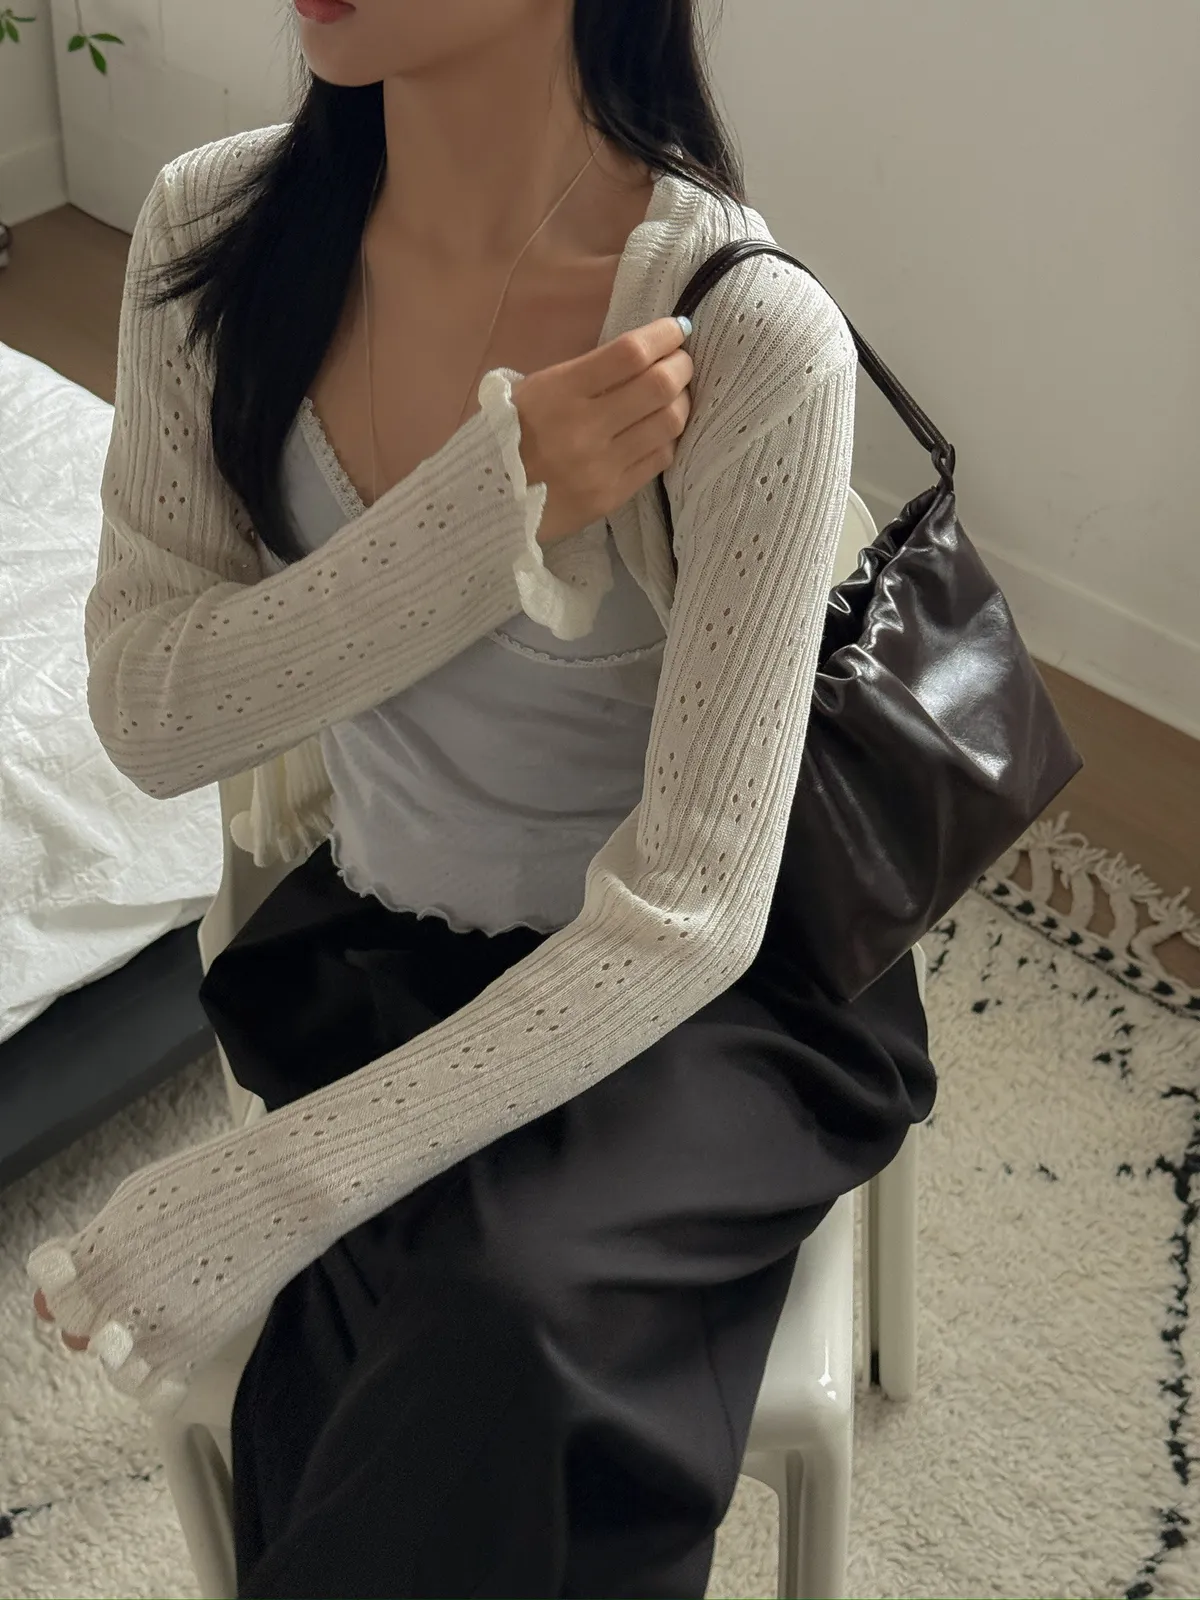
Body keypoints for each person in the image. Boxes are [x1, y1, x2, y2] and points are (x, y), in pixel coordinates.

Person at [29, 0, 937, 1594]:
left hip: (710, 1005)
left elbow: (693, 911)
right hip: (385, 957)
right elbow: (154, 720)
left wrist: (268, 1182)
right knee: (415, 1383)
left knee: (499, 1342)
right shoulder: (210, 240)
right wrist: (482, 516)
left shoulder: (742, 335)